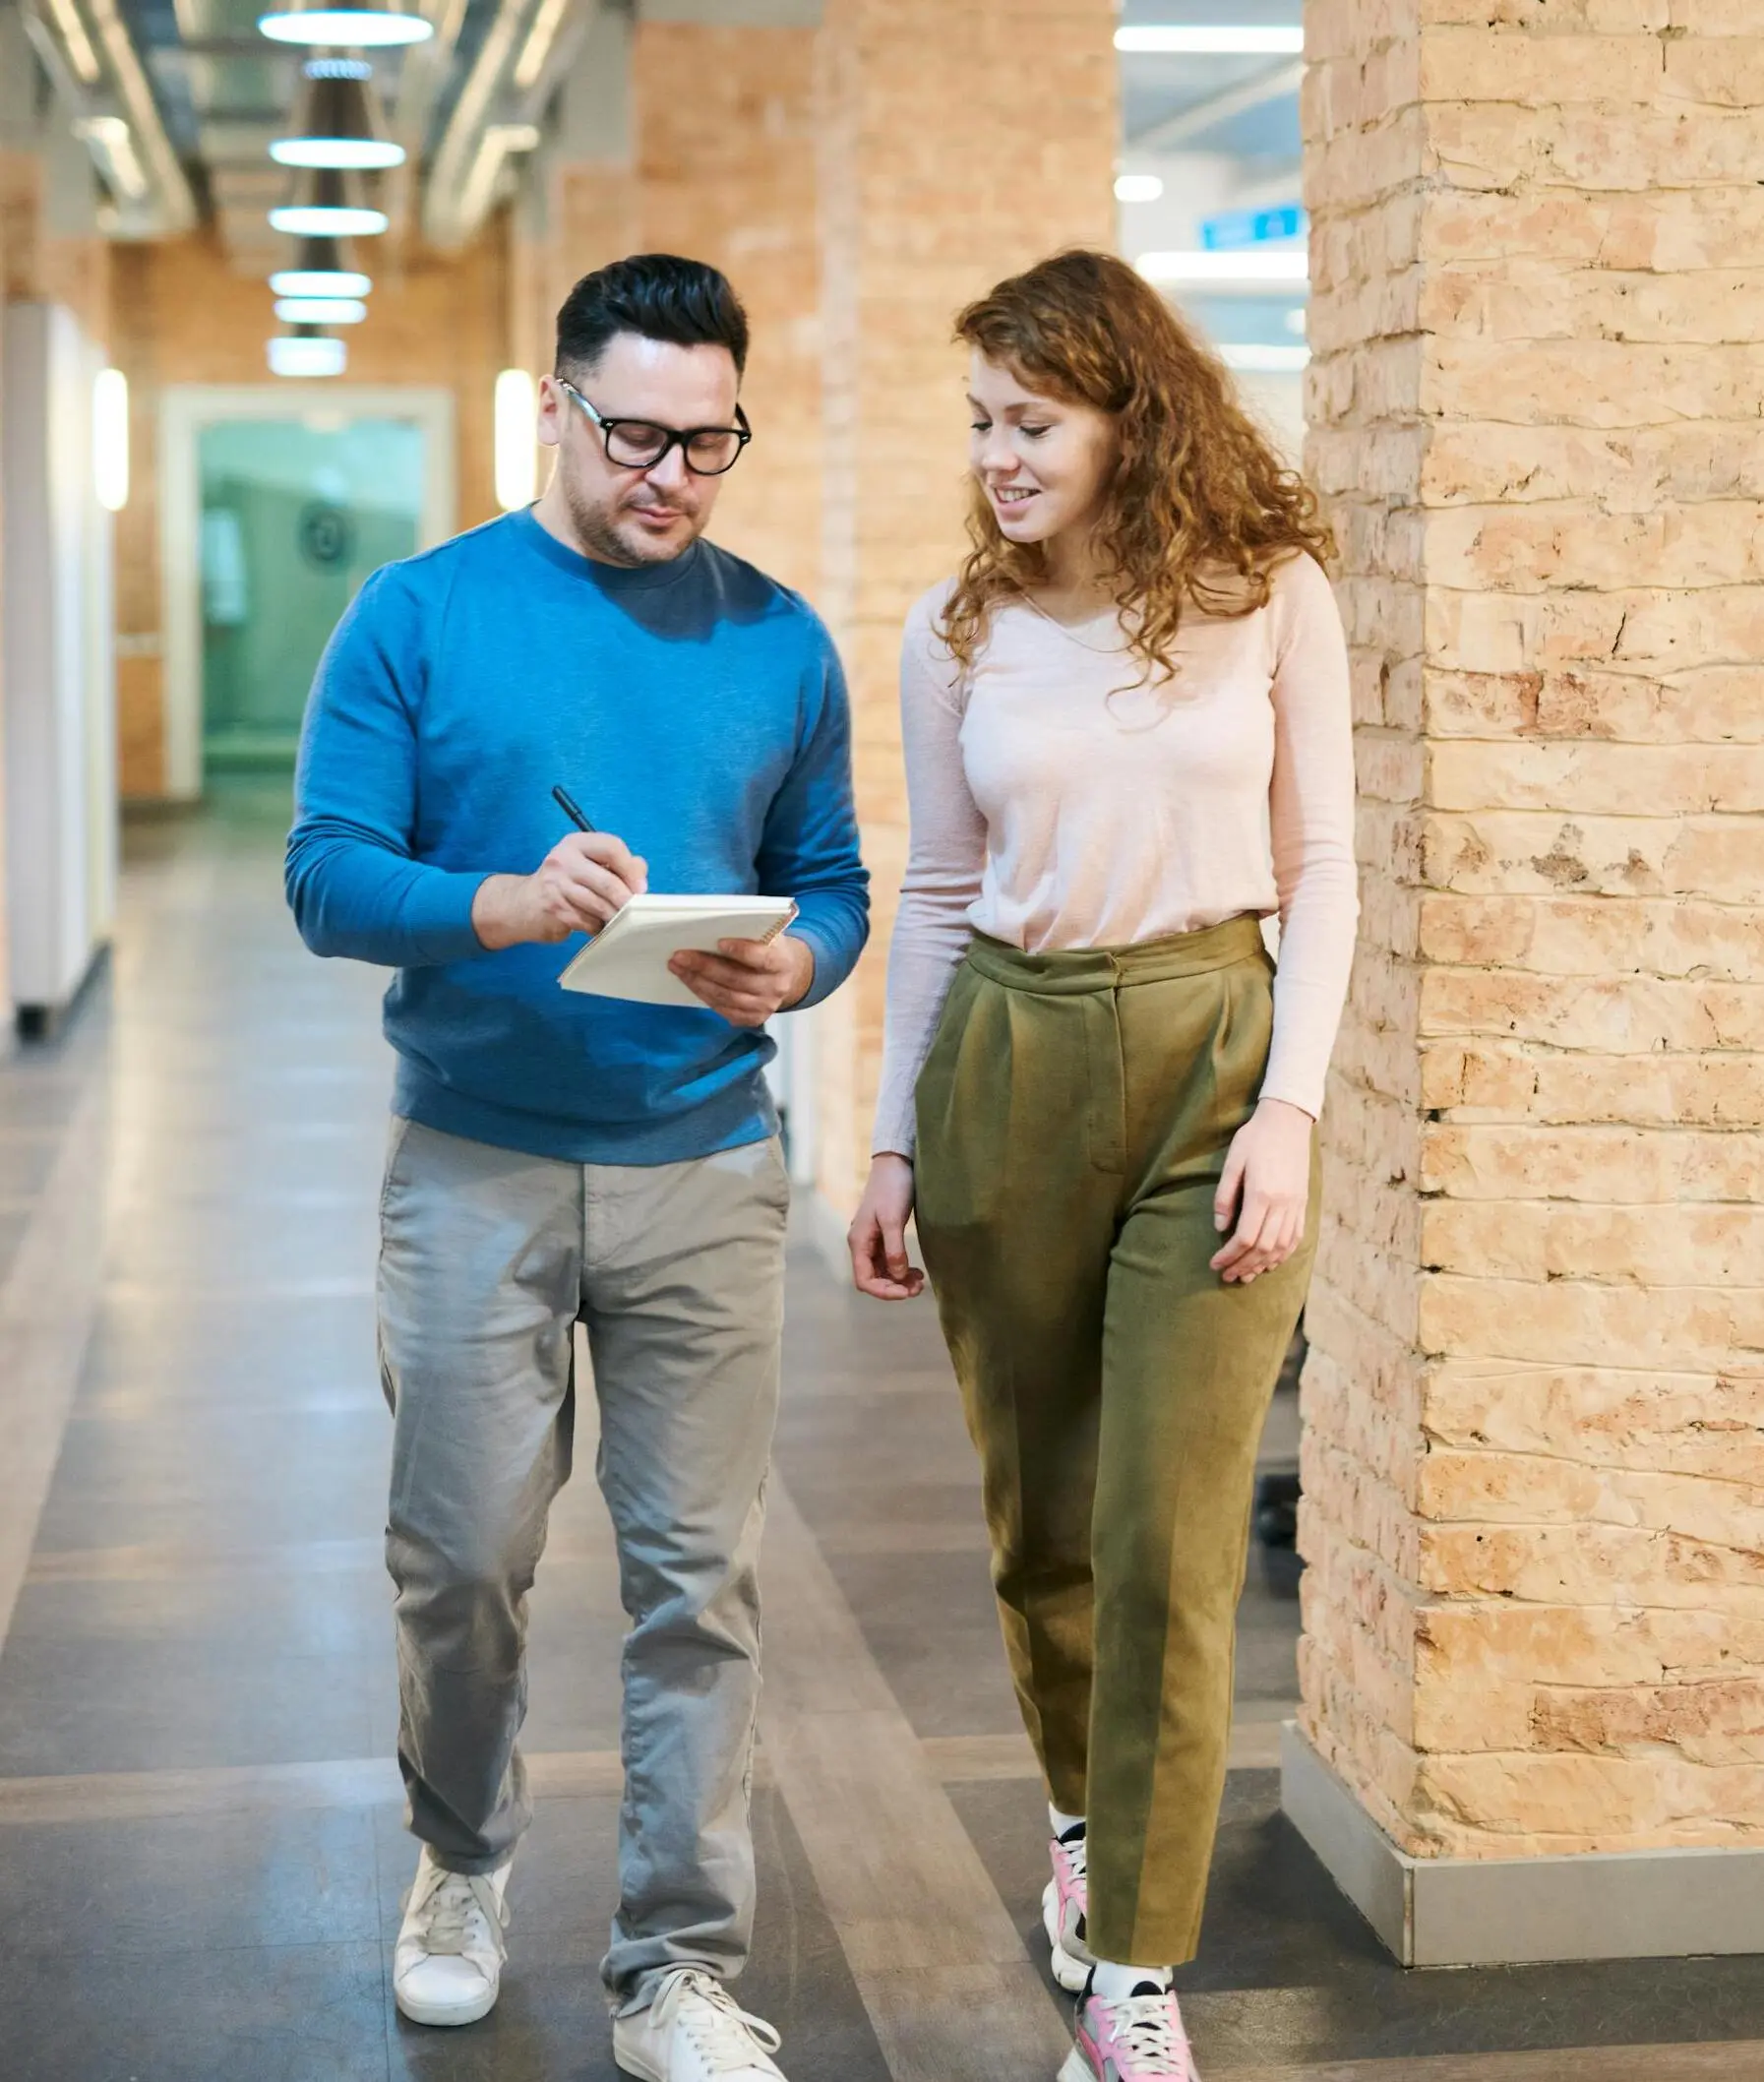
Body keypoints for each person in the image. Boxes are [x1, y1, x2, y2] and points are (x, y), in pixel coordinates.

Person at [286, 253, 868, 2082]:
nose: (673, 478)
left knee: (701, 1582)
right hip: (475, 1166)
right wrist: (503, 903)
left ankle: (676, 1966)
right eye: (636, 435)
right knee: (460, 1558)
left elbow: (837, 876)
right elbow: (324, 873)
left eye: (711, 443)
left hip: (707, 1160)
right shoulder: (419, 614)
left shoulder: (780, 638)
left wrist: (808, 960)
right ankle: (460, 1865)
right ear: (556, 407)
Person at [848, 248, 1357, 2082]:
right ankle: (1084, 1815)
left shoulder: (1268, 593)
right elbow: (939, 892)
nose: (995, 453)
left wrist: (1291, 1110)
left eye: (1031, 420)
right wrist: (893, 1136)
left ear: (1131, 414)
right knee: (1043, 1524)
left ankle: (1135, 1971)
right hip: (1009, 1055)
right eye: (980, 421)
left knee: (1167, 1537)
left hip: (1219, 1052)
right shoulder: (953, 629)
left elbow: (1326, 870)